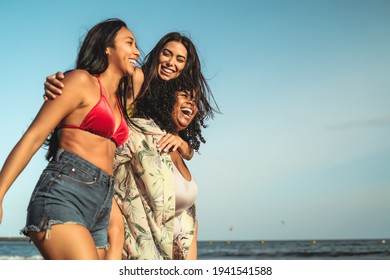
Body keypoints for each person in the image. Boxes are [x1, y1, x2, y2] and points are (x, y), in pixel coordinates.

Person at [43, 32, 219, 259]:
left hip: (134, 187)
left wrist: (185, 147)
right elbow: (97, 78)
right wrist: (62, 79)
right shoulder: (138, 77)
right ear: (157, 54)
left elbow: (176, 146)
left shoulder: (168, 98)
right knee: (113, 240)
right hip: (100, 169)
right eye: (167, 54)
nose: (171, 63)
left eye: (179, 60)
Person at [0, 18, 140, 259]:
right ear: (107, 47)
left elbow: (153, 74)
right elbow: (33, 137)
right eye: (129, 43)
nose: (137, 51)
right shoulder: (80, 81)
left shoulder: (120, 100)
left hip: (101, 204)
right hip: (65, 193)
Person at [114, 75, 205, 259]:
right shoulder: (140, 133)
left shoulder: (179, 148)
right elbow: (99, 165)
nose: (191, 103)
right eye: (185, 96)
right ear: (166, 99)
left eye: (195, 100)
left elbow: (189, 219)